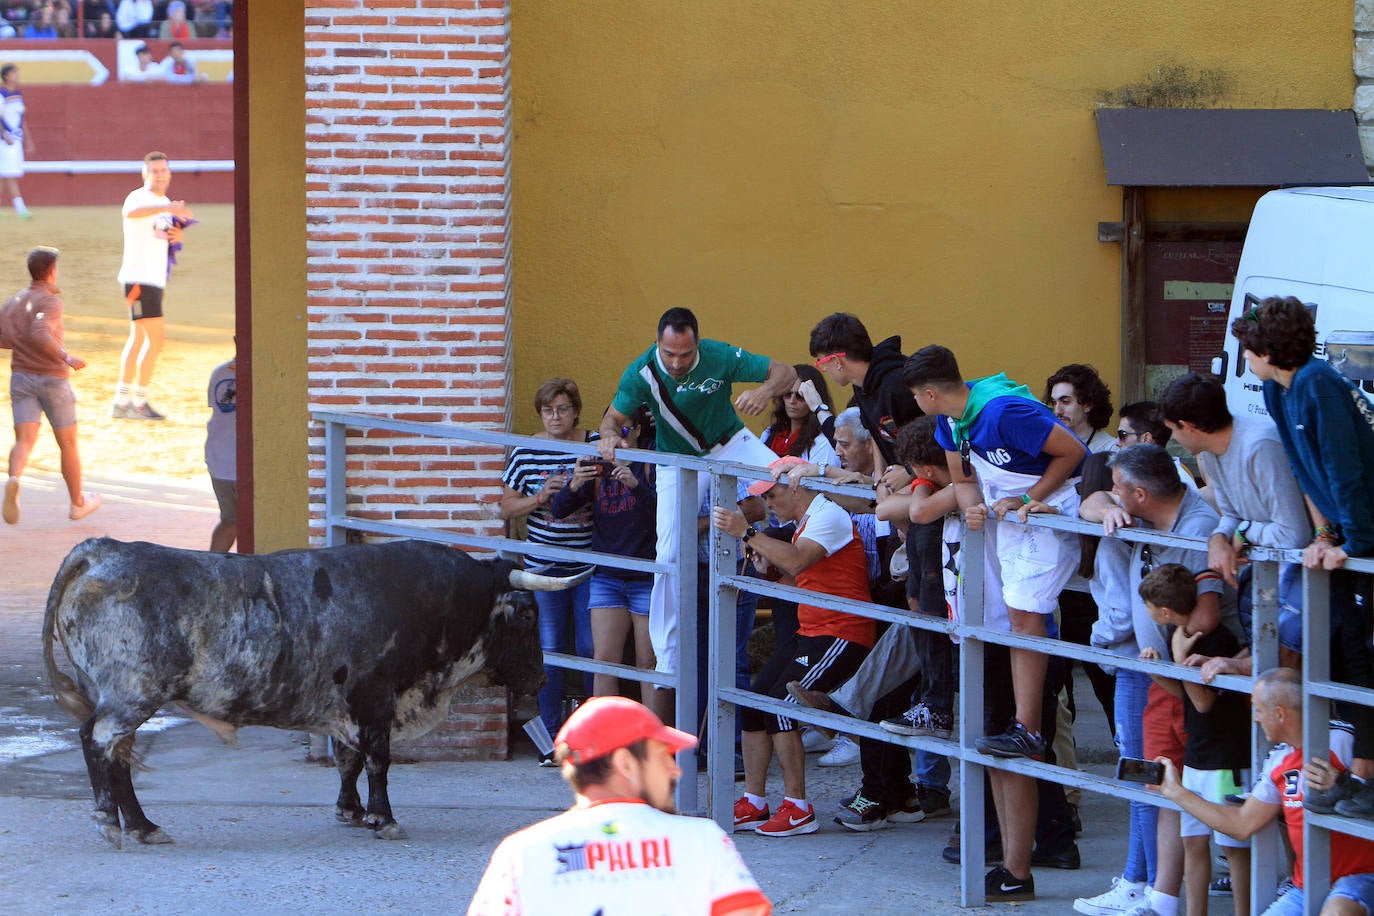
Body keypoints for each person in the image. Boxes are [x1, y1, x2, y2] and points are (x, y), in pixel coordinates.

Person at [902, 344, 1085, 902]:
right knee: (994, 743)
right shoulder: (950, 424)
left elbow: (1071, 450)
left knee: (1030, 618)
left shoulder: (1004, 411)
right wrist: (975, 503)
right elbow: (962, 482)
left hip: (1043, 516)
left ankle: (1030, 726)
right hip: (1005, 536)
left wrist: (1027, 498)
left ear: (930, 392)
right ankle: (1015, 865)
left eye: (917, 396)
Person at [1077, 443, 1243, 916]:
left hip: (1181, 676)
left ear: (1143, 494)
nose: (1110, 492)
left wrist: (1172, 656)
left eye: (1118, 488)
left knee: (1166, 781)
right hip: (1152, 668)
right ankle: (1149, 888)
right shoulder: (1145, 510)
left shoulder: (1194, 527)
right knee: (1149, 780)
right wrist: (1108, 508)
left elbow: (1204, 617)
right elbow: (1088, 501)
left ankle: (1147, 886)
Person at [597, 308, 794, 698]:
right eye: (669, 353)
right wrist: (608, 437)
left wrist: (764, 391)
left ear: (696, 345)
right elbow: (613, 419)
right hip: (679, 463)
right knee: (668, 553)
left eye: (685, 354)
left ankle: (806, 576)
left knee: (788, 482)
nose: (676, 362)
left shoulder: (719, 356)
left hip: (731, 443)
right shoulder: (640, 373)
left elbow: (786, 372)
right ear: (658, 344)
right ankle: (667, 657)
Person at [1231, 295, 1374, 819]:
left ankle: (1363, 778)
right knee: (1342, 653)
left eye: (1248, 348)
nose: (1242, 357)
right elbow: (1302, 469)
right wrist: (1322, 534)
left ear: (1269, 348)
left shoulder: (1317, 384)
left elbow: (1346, 469)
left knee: (1362, 656)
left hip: (1364, 538)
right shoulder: (1276, 390)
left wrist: (1351, 544)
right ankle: (1351, 777)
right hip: (1340, 538)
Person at [468, 696, 771, 916]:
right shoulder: (703, 840)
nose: (675, 769)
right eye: (663, 755)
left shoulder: (521, 852)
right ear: (626, 763)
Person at [714, 457, 875, 838]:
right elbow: (797, 577)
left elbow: (799, 561)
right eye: (764, 497)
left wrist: (749, 535)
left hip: (843, 632)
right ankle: (754, 801)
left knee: (781, 708)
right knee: (754, 702)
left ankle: (798, 807)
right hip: (814, 630)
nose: (769, 503)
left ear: (798, 487)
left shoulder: (828, 514)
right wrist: (766, 565)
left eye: (774, 494)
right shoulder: (806, 519)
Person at [1155, 667, 1374, 916]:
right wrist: (1176, 791)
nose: (1255, 718)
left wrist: (1346, 784)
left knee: (1337, 912)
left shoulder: (1343, 739)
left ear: (1280, 714)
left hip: (1362, 876)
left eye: (1258, 709)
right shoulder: (1278, 759)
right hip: (1308, 886)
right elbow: (1242, 824)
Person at [1158, 371, 1309, 672]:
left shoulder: (1260, 445)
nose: (1174, 438)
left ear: (1187, 426)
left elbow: (1295, 534)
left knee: (1286, 678)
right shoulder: (1212, 452)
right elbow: (1230, 515)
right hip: (1267, 579)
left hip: (1301, 584)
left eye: (1173, 429)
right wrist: (1217, 539)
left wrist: (1242, 532)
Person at [1138, 564, 1252, 916]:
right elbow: (1186, 695)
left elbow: (1203, 701)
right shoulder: (1182, 633)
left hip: (1226, 757)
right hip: (1197, 754)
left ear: (1167, 612)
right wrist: (1161, 671)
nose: (1148, 615)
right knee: (1193, 843)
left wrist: (1178, 658)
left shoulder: (1214, 641)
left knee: (1233, 848)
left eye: (1149, 609)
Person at [501, 378, 596, 760]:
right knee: (551, 649)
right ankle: (555, 739)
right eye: (547, 410)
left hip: (592, 564)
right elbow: (505, 507)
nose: (555, 417)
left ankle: (594, 734)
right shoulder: (526, 451)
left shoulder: (592, 446)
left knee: (593, 650)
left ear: (576, 411)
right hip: (544, 567)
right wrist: (541, 496)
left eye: (562, 409)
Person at [551, 405, 656, 702]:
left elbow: (664, 517)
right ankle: (605, 744)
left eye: (623, 430)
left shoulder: (651, 463)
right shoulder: (599, 465)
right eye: (610, 429)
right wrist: (575, 483)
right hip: (607, 577)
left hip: (645, 577)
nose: (615, 437)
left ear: (636, 431)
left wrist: (635, 485)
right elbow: (559, 510)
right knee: (603, 662)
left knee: (648, 663)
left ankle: (652, 745)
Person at [2, 247, 101, 525]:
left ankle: (14, 478)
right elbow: (40, 332)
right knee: (67, 443)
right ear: (51, 270)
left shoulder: (13, 303)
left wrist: (20, 342)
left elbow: (5, 339)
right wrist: (66, 356)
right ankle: (77, 504)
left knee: (23, 439)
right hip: (52, 379)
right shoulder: (50, 302)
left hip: (21, 377)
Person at [111, 151, 193, 421]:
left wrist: (177, 234)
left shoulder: (163, 203)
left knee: (138, 338)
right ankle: (139, 403)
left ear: (169, 173)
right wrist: (168, 209)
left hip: (149, 280)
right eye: (154, 170)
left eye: (163, 170)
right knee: (155, 339)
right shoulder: (139, 197)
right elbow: (131, 213)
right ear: (145, 174)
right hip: (139, 281)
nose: (159, 175)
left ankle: (122, 402)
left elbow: (161, 235)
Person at [761, 364, 838, 469]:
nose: (792, 401)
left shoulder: (822, 441)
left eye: (800, 396)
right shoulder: (769, 433)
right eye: (787, 394)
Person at [1045, 363, 1116, 455]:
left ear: (1088, 405)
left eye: (1065, 401)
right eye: (1054, 402)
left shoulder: (1111, 450)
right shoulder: (1051, 446)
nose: (1057, 411)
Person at [205, 349, 236, 551]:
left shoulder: (220, 372)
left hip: (218, 459)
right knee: (246, 523)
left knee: (229, 522)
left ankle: (210, 570)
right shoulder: (259, 374)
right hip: (236, 461)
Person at [1, 63, 34, 219]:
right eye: (14, 73)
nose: (17, 75)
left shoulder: (19, 95)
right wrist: (4, 134)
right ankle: (21, 209)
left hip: (16, 139)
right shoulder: (1, 93)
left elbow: (22, 119)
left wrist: (28, 139)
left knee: (4, 173)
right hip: (5, 140)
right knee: (10, 174)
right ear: (6, 76)